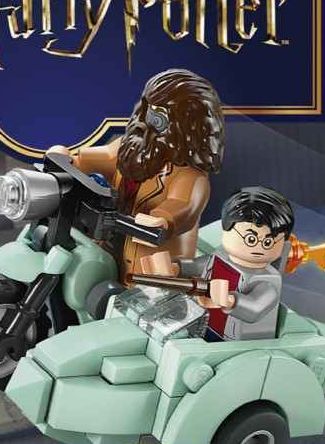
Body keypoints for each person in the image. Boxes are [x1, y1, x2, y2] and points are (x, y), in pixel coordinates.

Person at [65, 68, 224, 285]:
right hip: (106, 252)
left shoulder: (189, 176)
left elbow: (183, 204)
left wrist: (163, 220)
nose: (146, 123)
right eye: (147, 111)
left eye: (158, 119)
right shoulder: (131, 148)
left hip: (147, 273)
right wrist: (72, 160)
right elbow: (104, 157)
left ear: (185, 127)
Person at [182, 187, 295, 342]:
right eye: (251, 239)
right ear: (225, 228)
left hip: (235, 343)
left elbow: (256, 308)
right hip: (203, 324)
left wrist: (230, 300)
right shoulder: (219, 257)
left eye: (268, 242)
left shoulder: (268, 280)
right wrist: (176, 267)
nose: (259, 247)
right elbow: (195, 266)